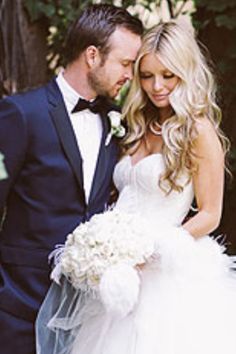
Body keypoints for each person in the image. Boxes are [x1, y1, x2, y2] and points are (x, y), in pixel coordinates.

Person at [36, 20, 236, 354]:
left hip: (164, 275)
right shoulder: (134, 125)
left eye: (168, 75)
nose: (157, 86)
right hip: (116, 272)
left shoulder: (198, 131)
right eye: (147, 75)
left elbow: (211, 214)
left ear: (185, 73)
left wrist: (148, 253)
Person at [0, 4, 143, 354]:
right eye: (125, 64)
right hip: (18, 304)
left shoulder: (115, 121)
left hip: (87, 315)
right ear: (92, 56)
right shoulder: (20, 113)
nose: (130, 75)